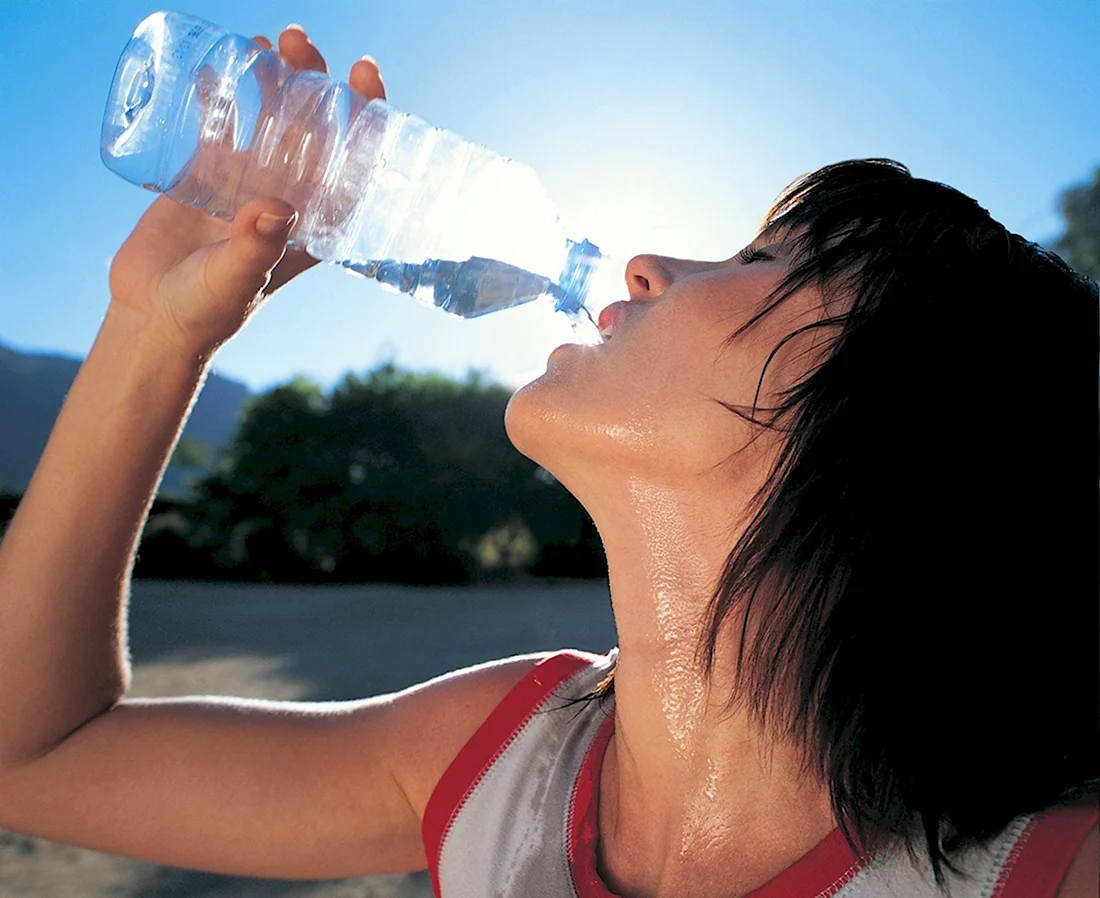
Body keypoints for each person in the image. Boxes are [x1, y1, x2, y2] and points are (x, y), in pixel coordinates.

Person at [0, 25, 1095, 898]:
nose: (650, 263)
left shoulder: (1048, 875)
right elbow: (30, 757)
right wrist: (155, 332)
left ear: (904, 423)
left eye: (763, 259)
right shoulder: (497, 755)